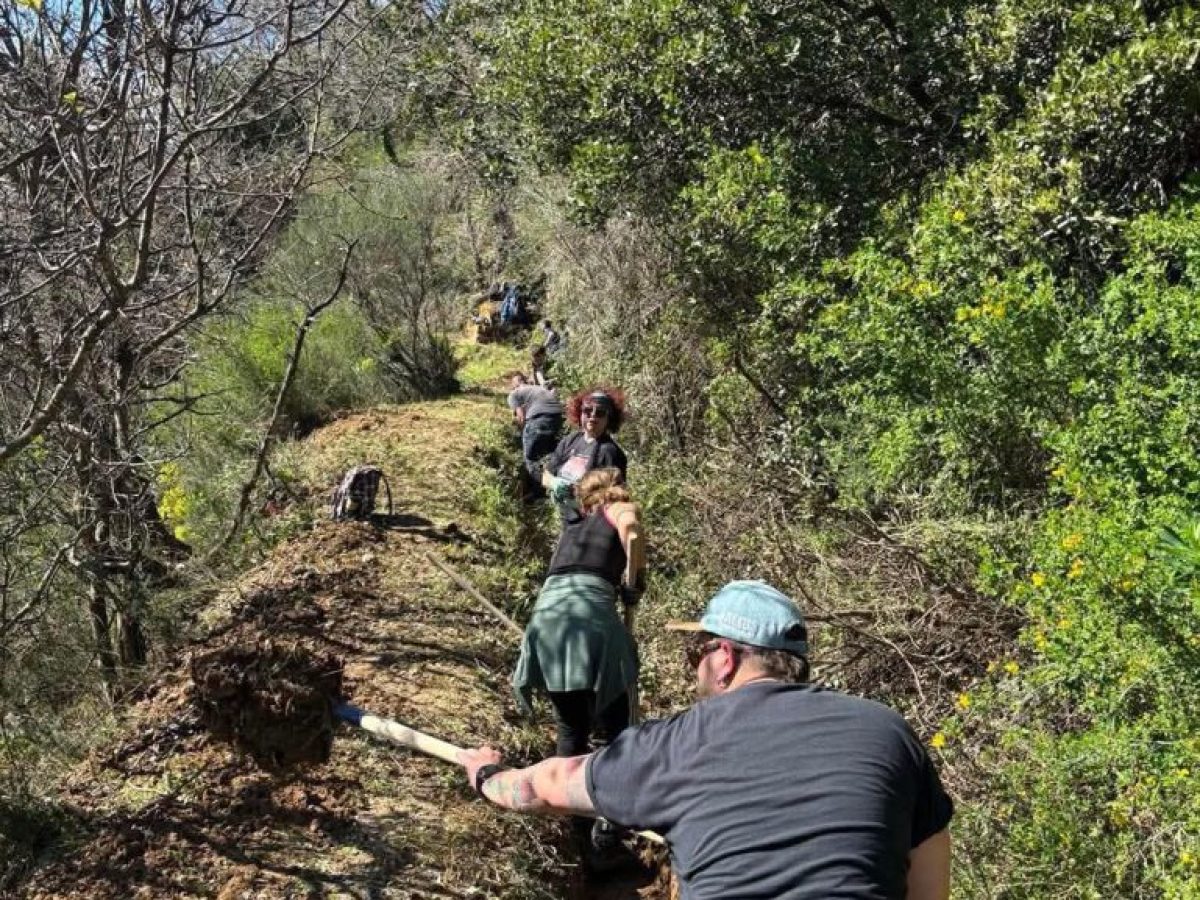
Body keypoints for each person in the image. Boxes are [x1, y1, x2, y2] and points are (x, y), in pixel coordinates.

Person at [460, 580, 954, 900]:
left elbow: (550, 783)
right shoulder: (889, 732)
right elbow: (930, 886)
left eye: (696, 650)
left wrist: (486, 776)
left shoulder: (680, 743)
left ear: (724, 658)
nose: (694, 664)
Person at [511, 467, 646, 862]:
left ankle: (575, 833)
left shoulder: (574, 525)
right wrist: (634, 580)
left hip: (547, 619)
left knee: (571, 729)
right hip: (591, 621)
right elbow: (633, 532)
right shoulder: (618, 508)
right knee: (617, 733)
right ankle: (609, 828)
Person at [541, 387, 628, 505]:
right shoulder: (570, 440)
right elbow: (546, 474)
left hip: (588, 520)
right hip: (565, 519)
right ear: (580, 413)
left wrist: (575, 494)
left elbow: (612, 497)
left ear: (609, 418)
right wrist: (553, 483)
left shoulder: (609, 452)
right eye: (587, 410)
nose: (592, 416)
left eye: (600, 413)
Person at [506, 372, 563, 482]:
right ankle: (557, 484)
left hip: (539, 420)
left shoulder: (514, 394)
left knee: (530, 460)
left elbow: (521, 418)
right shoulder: (538, 389)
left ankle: (543, 488)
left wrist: (524, 434)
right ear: (525, 382)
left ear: (513, 385)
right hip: (558, 418)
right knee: (551, 455)